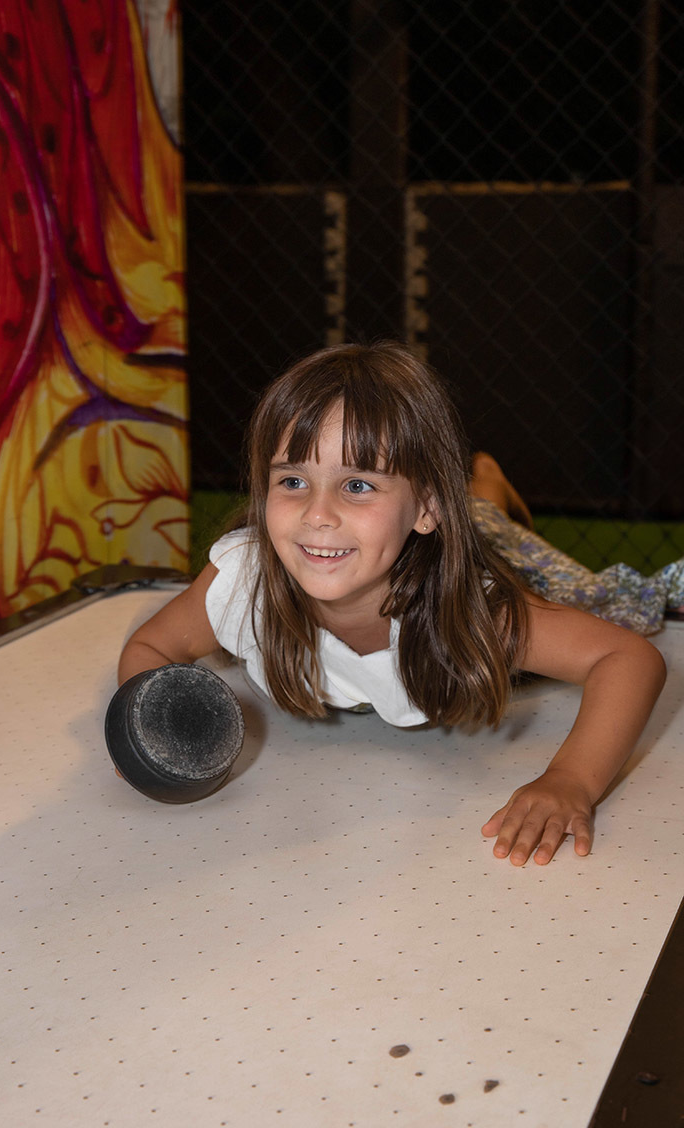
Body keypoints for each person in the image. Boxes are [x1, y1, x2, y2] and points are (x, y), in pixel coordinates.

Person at [118, 342, 668, 868]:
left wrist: (570, 779)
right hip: (427, 524)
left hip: (482, 550)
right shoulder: (244, 579)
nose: (317, 514)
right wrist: (150, 735)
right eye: (292, 480)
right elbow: (151, 644)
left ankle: (487, 486)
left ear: (426, 507)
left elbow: (628, 658)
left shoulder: (474, 609)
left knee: (562, 572)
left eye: (357, 485)